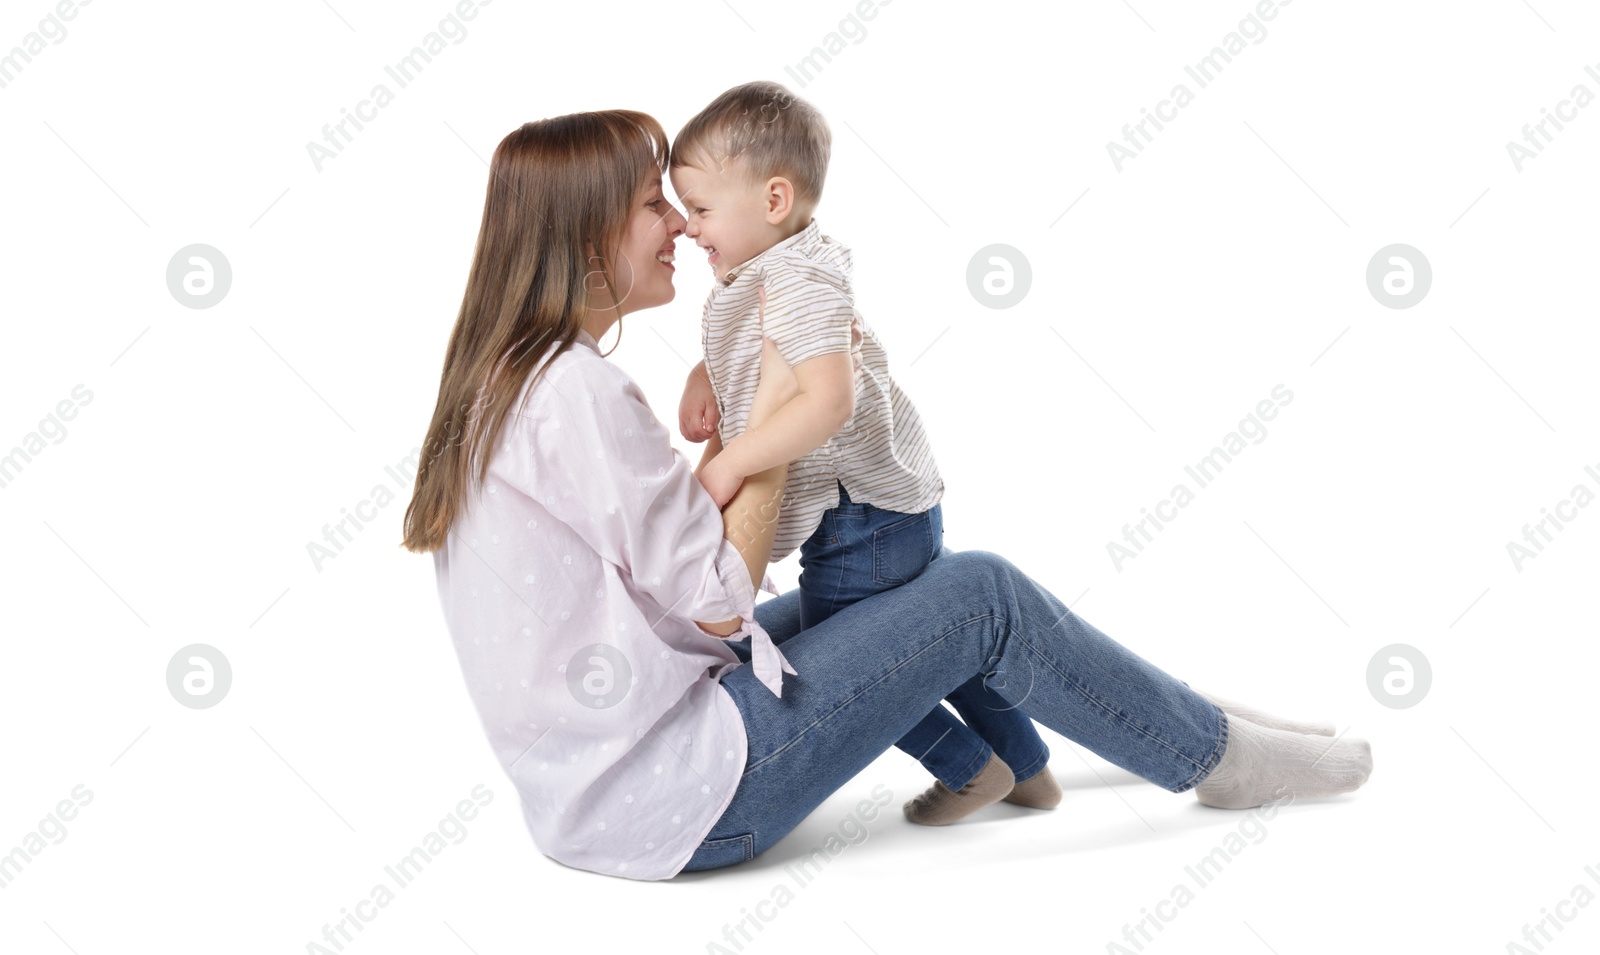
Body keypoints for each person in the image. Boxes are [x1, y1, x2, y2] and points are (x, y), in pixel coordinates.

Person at [400, 108, 1373, 883]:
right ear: (584, 227)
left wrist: (738, 445)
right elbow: (716, 598)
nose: (676, 223)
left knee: (908, 600)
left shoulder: (510, 380)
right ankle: (1216, 758)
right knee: (979, 594)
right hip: (689, 799)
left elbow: (671, 594)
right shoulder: (571, 388)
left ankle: (1180, 717)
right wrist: (778, 418)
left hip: (609, 787)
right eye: (652, 202)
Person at [668, 80, 1057, 825]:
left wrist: (735, 459)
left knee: (840, 668)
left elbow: (827, 399)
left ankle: (972, 767)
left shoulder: (800, 282)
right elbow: (766, 350)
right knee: (935, 646)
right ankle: (1031, 769)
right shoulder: (768, 267)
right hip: (881, 513)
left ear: (773, 200)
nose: (689, 228)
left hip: (861, 523)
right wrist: (706, 373)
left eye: (701, 208)